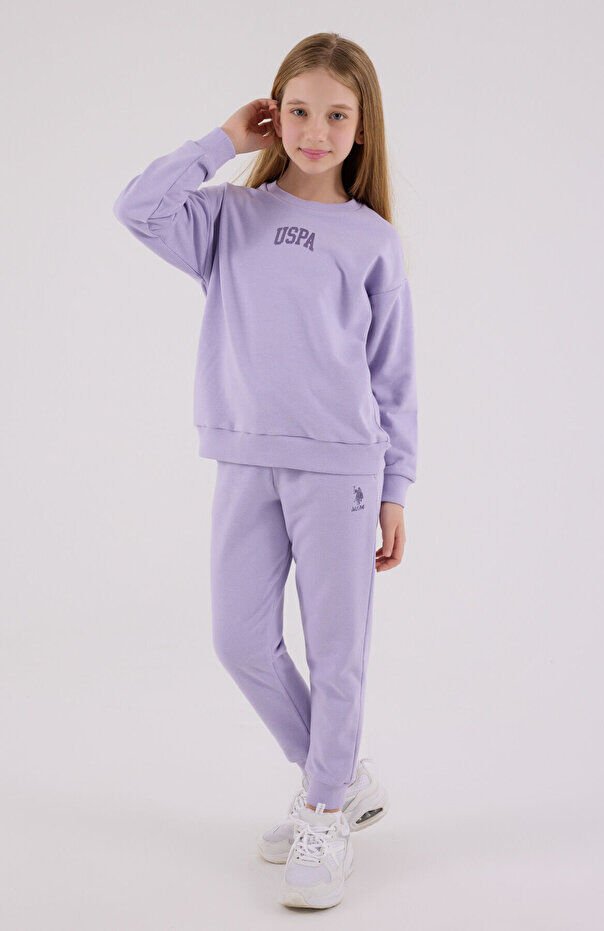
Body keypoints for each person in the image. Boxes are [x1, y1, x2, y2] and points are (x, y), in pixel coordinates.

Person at [113, 31, 418, 910]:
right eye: (298, 111)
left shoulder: (371, 241)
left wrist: (395, 487)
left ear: (361, 128)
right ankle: (337, 776)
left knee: (336, 650)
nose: (316, 131)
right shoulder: (227, 218)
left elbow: (393, 374)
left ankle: (323, 807)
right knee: (238, 639)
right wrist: (221, 142)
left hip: (341, 470)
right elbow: (136, 207)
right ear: (272, 115)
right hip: (245, 458)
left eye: (336, 115)